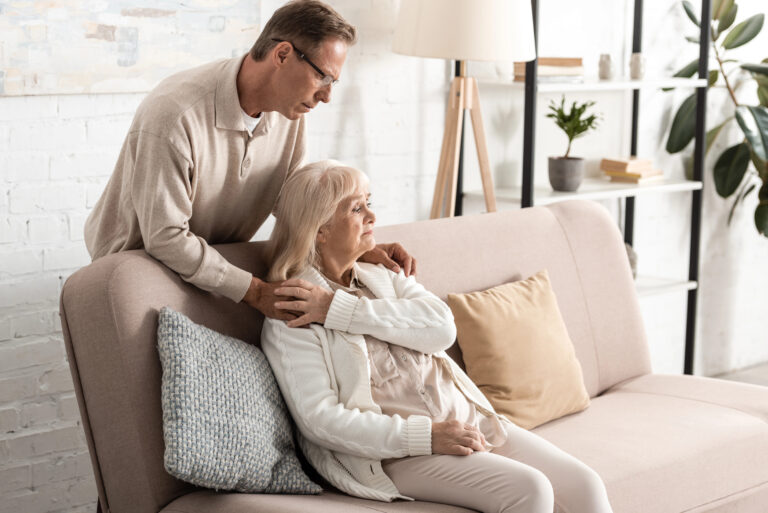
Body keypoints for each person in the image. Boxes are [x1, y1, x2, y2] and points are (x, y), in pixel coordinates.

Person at [260, 160, 614, 513]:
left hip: (471, 421)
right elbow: (322, 421)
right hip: (395, 456)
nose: (372, 216)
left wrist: (339, 309)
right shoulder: (290, 311)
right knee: (529, 489)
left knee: (584, 484)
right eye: (357, 208)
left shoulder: (381, 275)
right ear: (320, 229)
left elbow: (441, 328)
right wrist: (426, 436)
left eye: (369, 202)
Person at [83, 0, 414, 321]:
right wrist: (255, 292)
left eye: (333, 83)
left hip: (213, 263)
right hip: (137, 269)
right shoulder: (175, 115)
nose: (327, 96)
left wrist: (356, 247)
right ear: (282, 55)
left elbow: (296, 206)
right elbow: (166, 238)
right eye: (322, 77)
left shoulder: (289, 113)